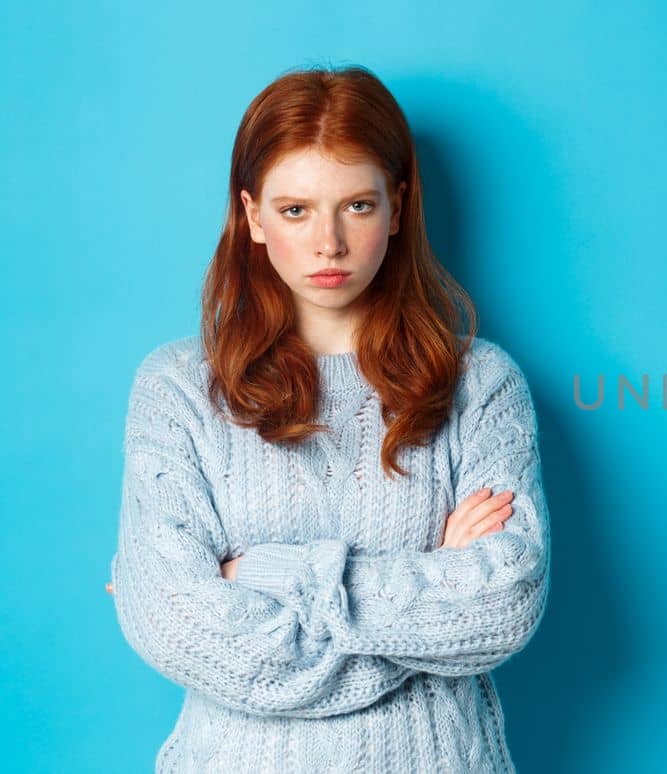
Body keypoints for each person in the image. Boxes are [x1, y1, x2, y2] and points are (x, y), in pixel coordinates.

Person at [105, 64, 550, 773]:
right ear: (251, 215)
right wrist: (429, 594)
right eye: (295, 210)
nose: (329, 244)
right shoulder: (178, 389)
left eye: (358, 206)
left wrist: (266, 572)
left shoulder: (480, 384)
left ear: (398, 207)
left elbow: (505, 603)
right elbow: (175, 623)